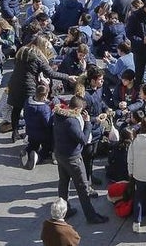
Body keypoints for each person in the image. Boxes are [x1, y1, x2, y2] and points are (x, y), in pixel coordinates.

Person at [53, 94, 110, 224]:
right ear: (78, 109)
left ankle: (65, 209)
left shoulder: (58, 115)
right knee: (83, 187)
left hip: (60, 154)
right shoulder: (71, 121)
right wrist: (88, 122)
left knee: (63, 183)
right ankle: (91, 216)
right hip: (73, 157)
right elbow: (83, 139)